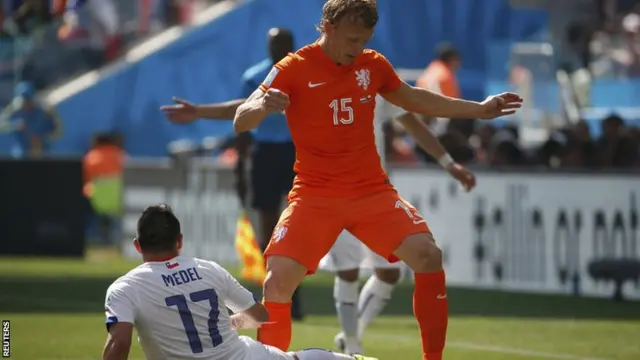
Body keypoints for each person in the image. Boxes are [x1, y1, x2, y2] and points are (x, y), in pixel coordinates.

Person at [233, 1, 522, 359]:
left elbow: (414, 99)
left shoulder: (373, 65)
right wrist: (260, 107)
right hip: (314, 195)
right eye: (352, 39)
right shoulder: (293, 67)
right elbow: (240, 119)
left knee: (428, 256)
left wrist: (478, 108)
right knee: (276, 281)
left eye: (364, 40)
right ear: (327, 25)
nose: (357, 49)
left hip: (370, 192)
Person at [102, 204, 376, 360]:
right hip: (241, 357)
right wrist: (232, 322)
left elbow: (120, 343)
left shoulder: (125, 289)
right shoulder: (208, 269)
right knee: (300, 358)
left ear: (138, 245)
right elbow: (259, 316)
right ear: (180, 241)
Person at [161, 27, 305, 320]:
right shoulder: (256, 76)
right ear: (268, 46)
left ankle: (293, 294)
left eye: (284, 43)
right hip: (265, 153)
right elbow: (239, 114)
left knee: (296, 225)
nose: (279, 48)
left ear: (292, 45)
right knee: (268, 225)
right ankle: (276, 294)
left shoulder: (303, 73)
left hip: (298, 154)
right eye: (274, 43)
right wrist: (239, 167)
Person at [320, 99, 476, 355]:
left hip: (374, 194)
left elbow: (412, 123)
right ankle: (352, 346)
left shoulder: (373, 81)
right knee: (347, 270)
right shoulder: (315, 79)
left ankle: (353, 335)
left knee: (389, 273)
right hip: (332, 192)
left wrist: (449, 163)